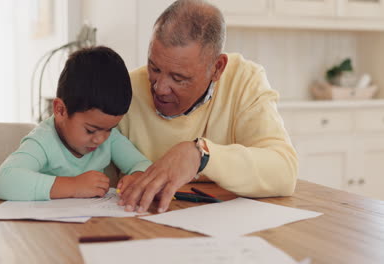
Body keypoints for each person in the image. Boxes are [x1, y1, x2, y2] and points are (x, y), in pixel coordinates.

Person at [117, 0, 298, 213]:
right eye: (154, 68)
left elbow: (284, 172)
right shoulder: (124, 90)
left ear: (217, 68)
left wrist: (201, 155)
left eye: (178, 78)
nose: (160, 88)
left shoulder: (244, 81)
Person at [0, 46, 152, 201]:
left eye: (110, 129)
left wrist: (137, 177)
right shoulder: (43, 140)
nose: (100, 139)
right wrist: (74, 186)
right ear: (60, 110)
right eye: (90, 130)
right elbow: (4, 181)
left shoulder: (108, 137)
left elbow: (142, 163)